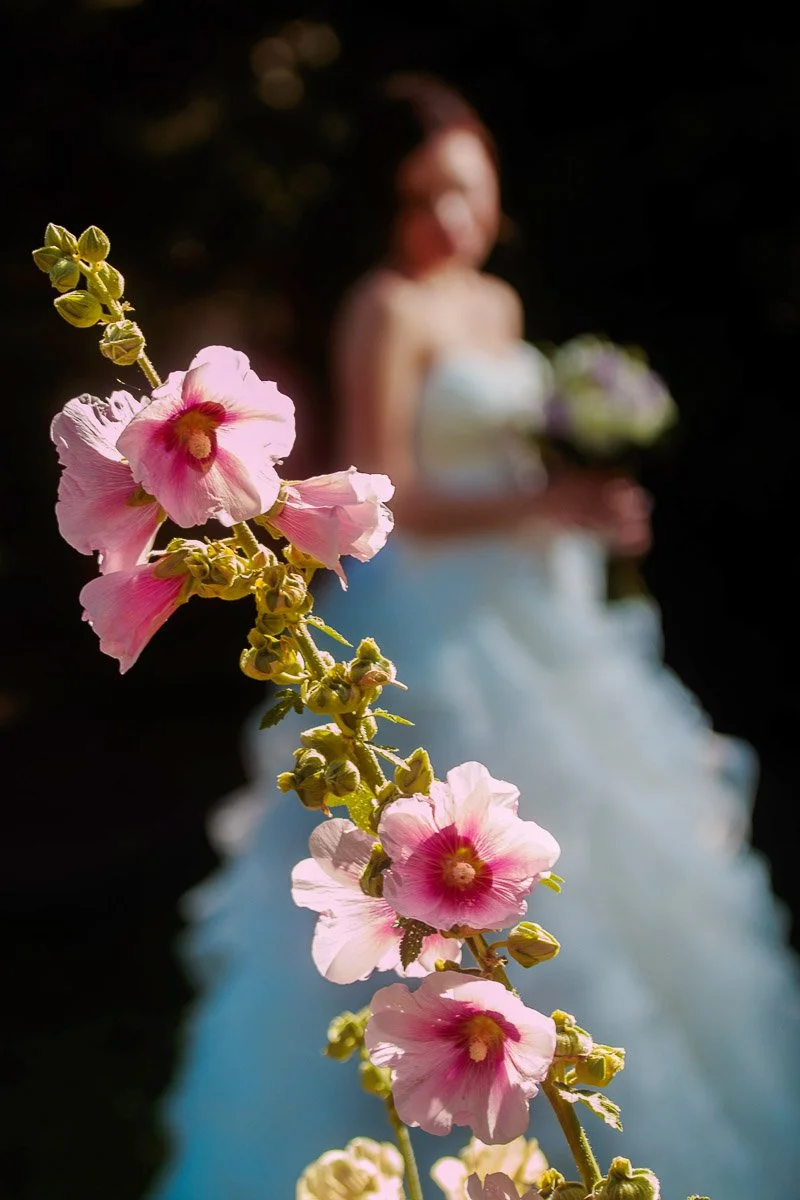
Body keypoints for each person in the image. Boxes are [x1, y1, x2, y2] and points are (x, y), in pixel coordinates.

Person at [150, 75, 800, 1200]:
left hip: (542, 619)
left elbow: (509, 466)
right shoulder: (382, 309)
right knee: (439, 859)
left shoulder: (494, 308)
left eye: (462, 192)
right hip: (432, 624)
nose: (444, 219)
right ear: (385, 206)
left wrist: (587, 504)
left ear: (492, 193)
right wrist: (544, 509)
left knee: (600, 860)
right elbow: (382, 481)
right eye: (418, 197)